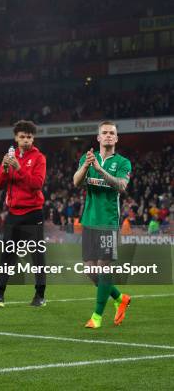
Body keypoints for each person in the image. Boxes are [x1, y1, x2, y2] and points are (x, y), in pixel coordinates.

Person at [0, 120, 47, 307]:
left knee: (37, 256)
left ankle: (40, 296)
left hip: (33, 212)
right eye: (22, 137)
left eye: (29, 137)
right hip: (14, 213)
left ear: (33, 138)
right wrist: (5, 167)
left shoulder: (39, 158)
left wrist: (18, 167)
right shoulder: (10, 156)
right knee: (7, 255)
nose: (26, 140)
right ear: (16, 138)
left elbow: (37, 184)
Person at [72, 120, 131, 329]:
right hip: (89, 221)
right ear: (98, 137)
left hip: (108, 222)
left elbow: (122, 186)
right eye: (104, 133)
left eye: (111, 133)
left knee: (104, 269)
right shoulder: (87, 158)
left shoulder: (123, 162)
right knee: (90, 271)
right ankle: (119, 298)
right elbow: (76, 182)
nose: (107, 135)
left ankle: (96, 317)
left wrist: (100, 170)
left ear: (116, 138)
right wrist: (88, 165)